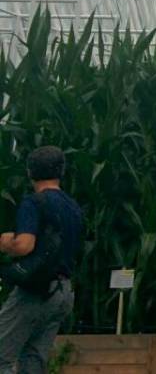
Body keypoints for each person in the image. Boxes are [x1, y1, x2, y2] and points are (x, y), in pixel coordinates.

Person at [0, 146, 84, 374]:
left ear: (30, 172)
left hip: (36, 291)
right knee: (33, 359)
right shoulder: (73, 207)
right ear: (61, 171)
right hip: (63, 292)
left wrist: (7, 242)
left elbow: (25, 245)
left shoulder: (34, 202)